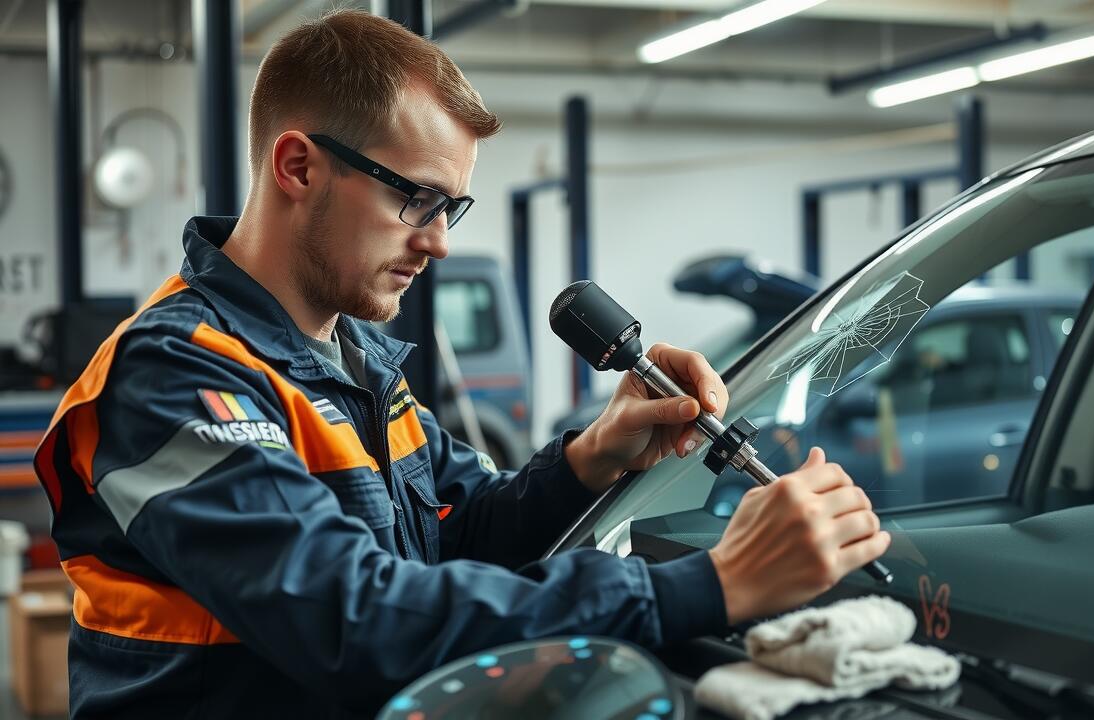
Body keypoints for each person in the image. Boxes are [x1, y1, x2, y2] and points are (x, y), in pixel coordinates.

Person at [32, 9, 889, 718]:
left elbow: (454, 536)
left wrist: (595, 455)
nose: (439, 241)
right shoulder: (171, 377)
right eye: (418, 198)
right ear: (298, 165)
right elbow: (357, 621)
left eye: (453, 206)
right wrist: (711, 585)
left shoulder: (358, 357)